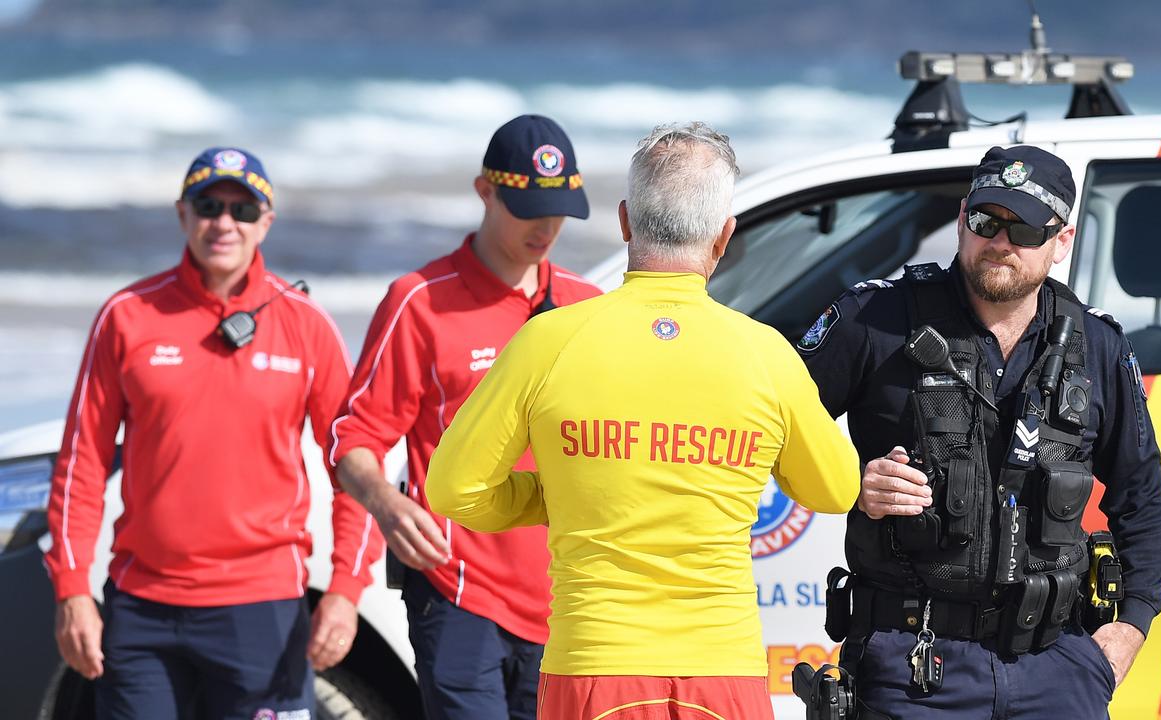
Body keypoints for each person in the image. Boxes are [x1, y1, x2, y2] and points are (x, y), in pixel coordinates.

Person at [424, 122, 859, 720]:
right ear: (724, 235)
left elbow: (454, 489)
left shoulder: (550, 340)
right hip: (723, 668)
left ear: (625, 221)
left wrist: (557, 494)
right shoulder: (765, 354)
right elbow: (835, 489)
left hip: (595, 666)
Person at [797, 145, 1161, 719]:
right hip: (913, 667)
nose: (1001, 241)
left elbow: (1142, 499)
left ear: (1061, 242)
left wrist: (1126, 634)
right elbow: (770, 432)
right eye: (986, 221)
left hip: (1057, 668)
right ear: (961, 219)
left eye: (1024, 228)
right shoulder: (874, 321)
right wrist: (853, 481)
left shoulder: (1096, 346)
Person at [45, 147, 382, 718]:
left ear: (266, 223)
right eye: (208, 205)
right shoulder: (127, 316)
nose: (223, 223)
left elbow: (355, 464)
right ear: (183, 214)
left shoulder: (307, 325)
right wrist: (73, 589)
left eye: (242, 210)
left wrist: (347, 593)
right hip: (143, 611)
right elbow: (81, 464)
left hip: (263, 610)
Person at [329, 114, 600, 720]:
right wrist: (386, 503)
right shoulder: (419, 301)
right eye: (528, 208)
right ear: (485, 191)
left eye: (559, 209)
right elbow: (354, 437)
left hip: (568, 600)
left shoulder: (587, 308)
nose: (547, 227)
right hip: (458, 594)